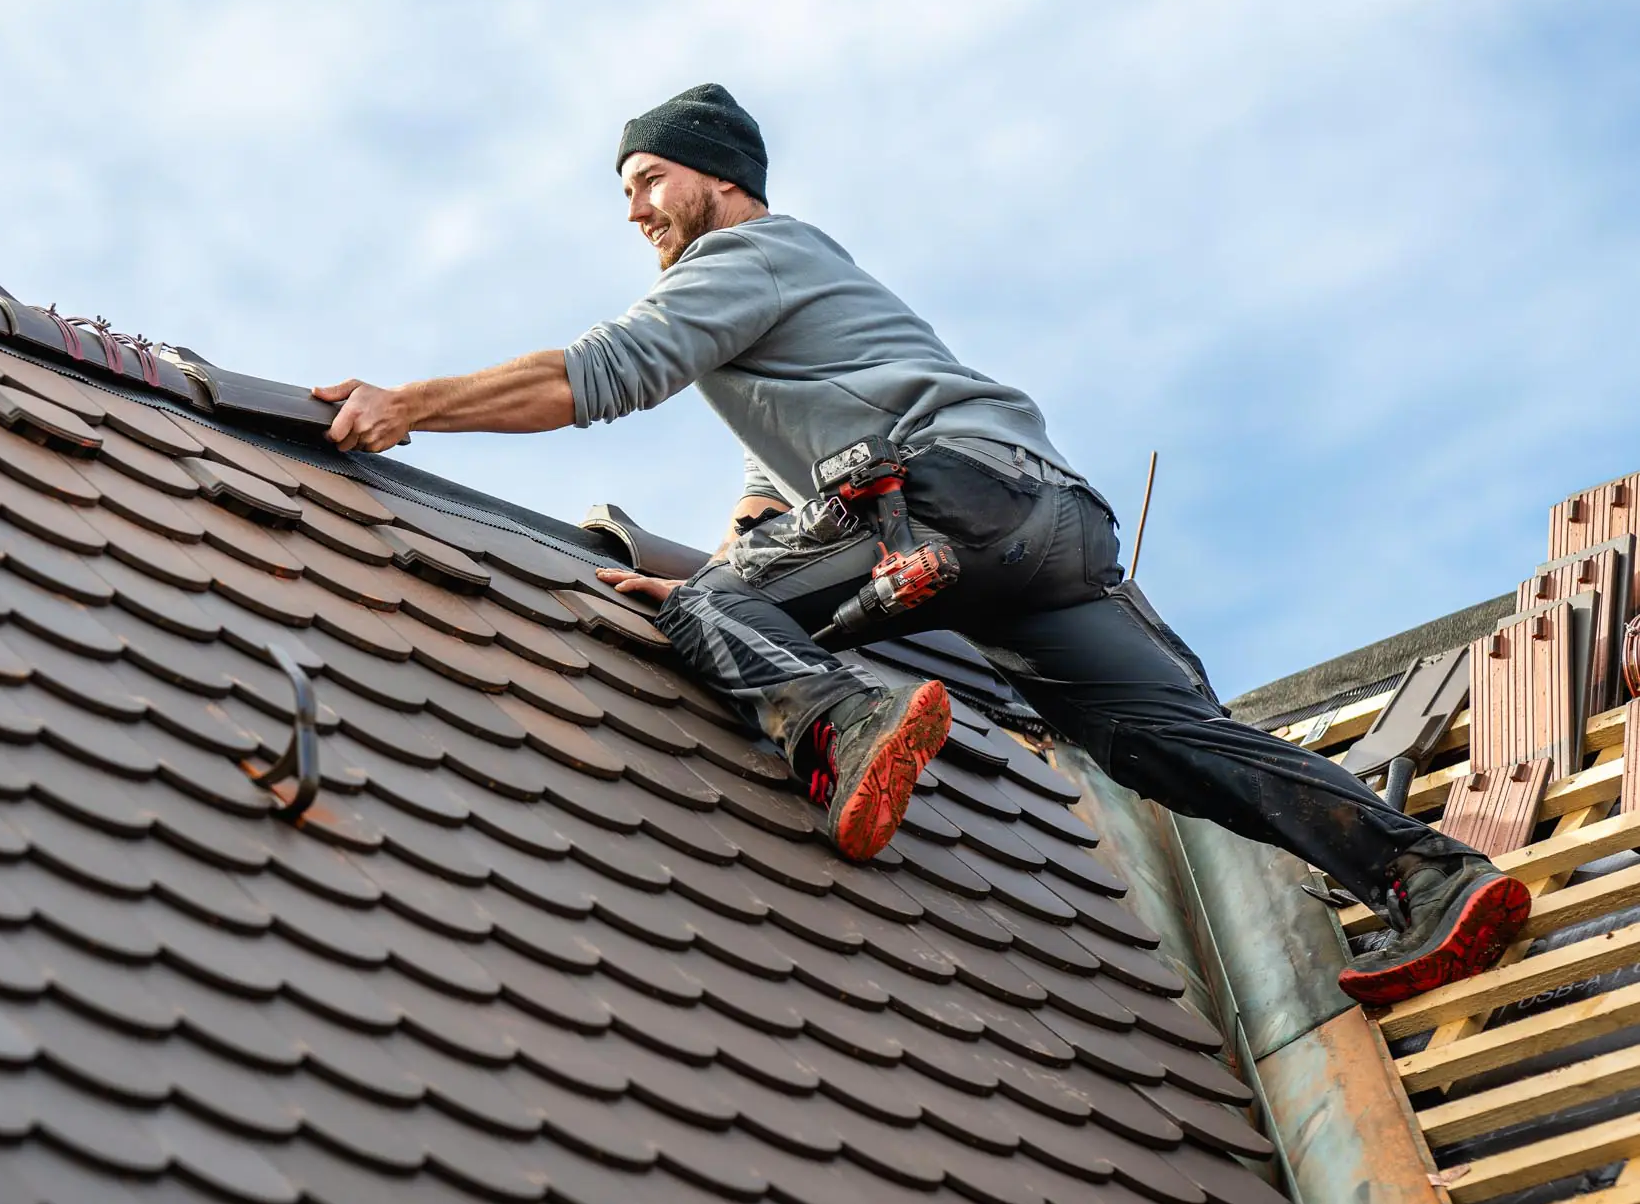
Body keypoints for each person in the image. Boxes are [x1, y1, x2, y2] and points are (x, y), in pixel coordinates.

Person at [314, 83, 1528, 1004]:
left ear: (717, 182)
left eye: (645, 180)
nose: (631, 210)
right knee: (1163, 742)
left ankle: (843, 725)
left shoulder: (749, 252)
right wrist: (723, 568)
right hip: (1041, 528)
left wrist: (412, 404)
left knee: (714, 609)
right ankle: (1430, 879)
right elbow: (773, 490)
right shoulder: (810, 314)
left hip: (941, 504)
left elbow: (602, 372)